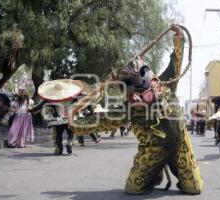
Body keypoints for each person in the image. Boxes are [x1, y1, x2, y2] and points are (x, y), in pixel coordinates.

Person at [70, 25, 203, 195]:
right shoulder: (128, 109)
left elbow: (175, 61)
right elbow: (102, 121)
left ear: (154, 82)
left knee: (194, 188)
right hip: (152, 151)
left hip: (180, 146)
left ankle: (162, 171)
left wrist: (178, 37)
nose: (141, 98)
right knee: (133, 188)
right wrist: (74, 123)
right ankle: (154, 172)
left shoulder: (167, 83)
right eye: (135, 95)